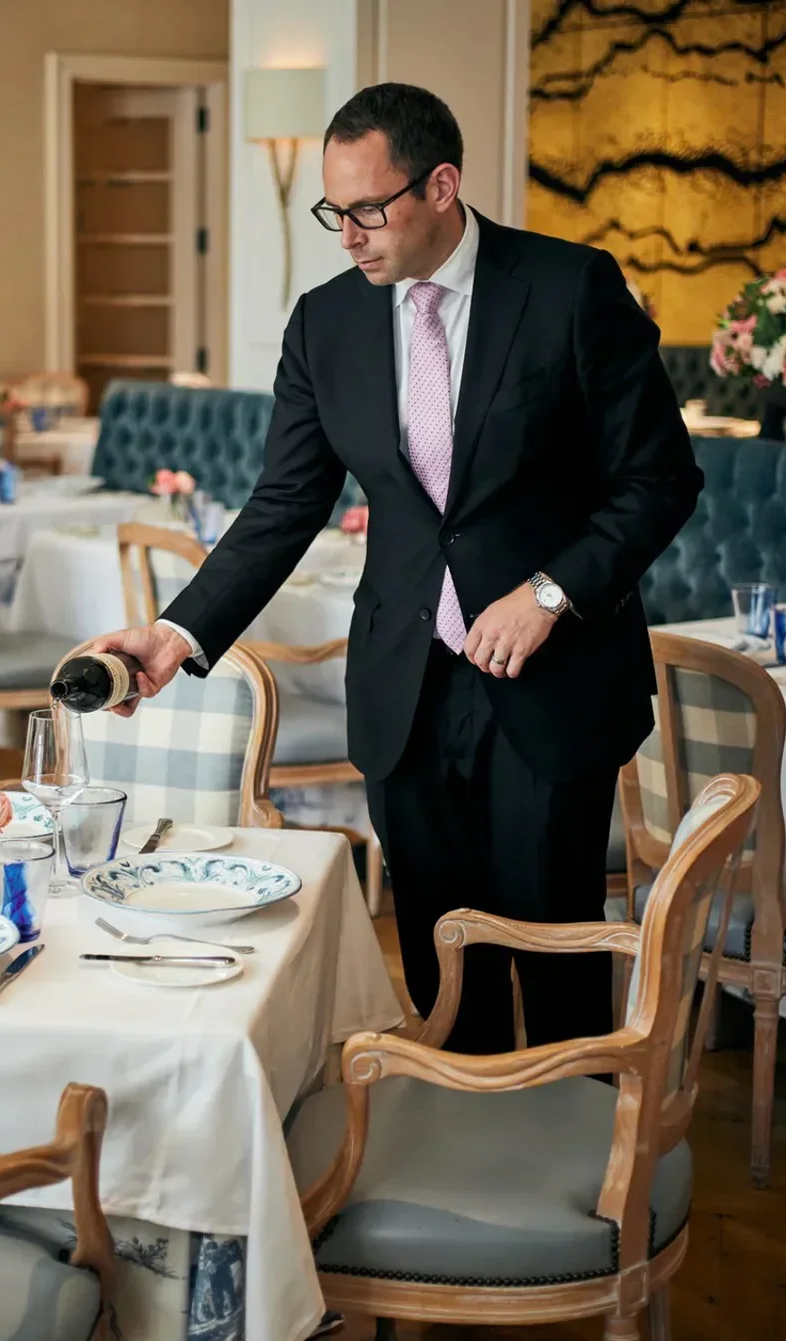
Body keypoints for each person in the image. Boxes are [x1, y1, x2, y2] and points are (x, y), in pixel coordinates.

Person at [89, 83, 703, 1053]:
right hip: (404, 689)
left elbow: (661, 480)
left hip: (553, 684)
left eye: (369, 210)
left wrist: (551, 592)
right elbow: (284, 507)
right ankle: (454, 1177)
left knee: (552, 962)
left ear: (443, 187)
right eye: (335, 211)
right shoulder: (324, 324)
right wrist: (175, 634)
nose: (349, 235)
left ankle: (574, 1175)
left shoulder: (572, 290)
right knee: (439, 970)